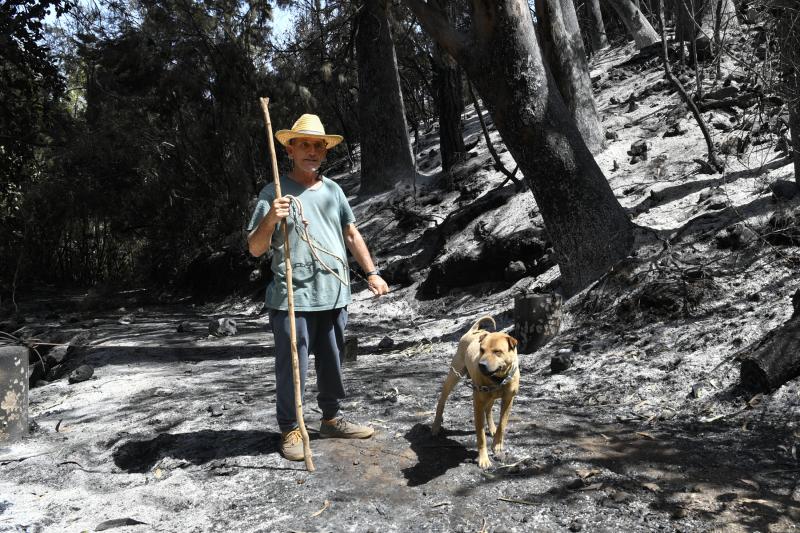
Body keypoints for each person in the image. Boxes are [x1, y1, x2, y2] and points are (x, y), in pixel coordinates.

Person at [247, 113, 389, 461]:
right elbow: (254, 247)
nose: (312, 151)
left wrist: (371, 272)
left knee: (333, 361)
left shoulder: (334, 191)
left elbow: (351, 233)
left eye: (318, 146)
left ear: (324, 152)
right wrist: (271, 218)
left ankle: (331, 419)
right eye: (304, 145)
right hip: (292, 297)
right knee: (292, 367)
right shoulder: (274, 193)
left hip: (334, 293)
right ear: (290, 149)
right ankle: (291, 427)